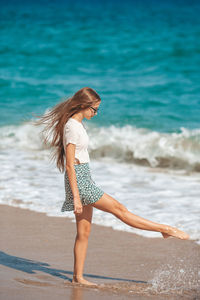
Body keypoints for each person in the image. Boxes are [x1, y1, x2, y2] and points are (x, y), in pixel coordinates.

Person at [34, 87, 189, 287]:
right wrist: (77, 197)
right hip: (80, 182)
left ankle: (77, 277)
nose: (96, 113)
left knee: (84, 233)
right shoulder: (72, 127)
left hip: (84, 179)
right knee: (120, 210)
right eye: (94, 109)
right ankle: (164, 229)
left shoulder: (77, 124)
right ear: (83, 106)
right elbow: (70, 165)